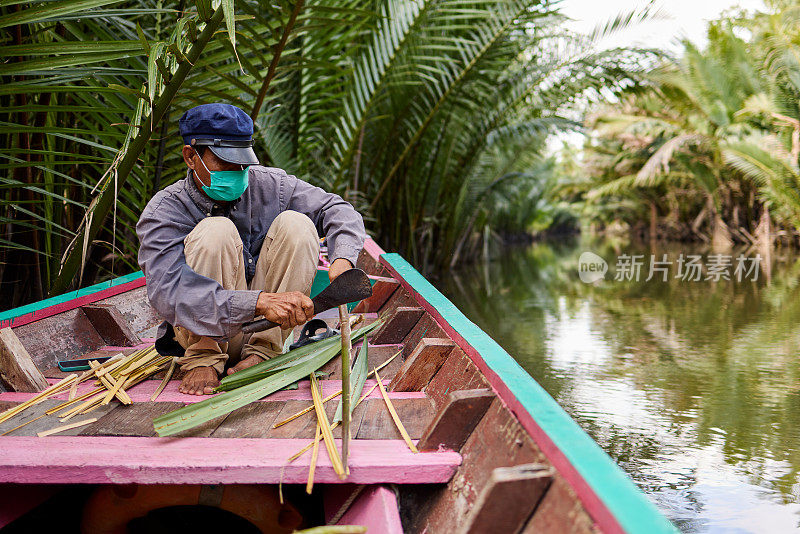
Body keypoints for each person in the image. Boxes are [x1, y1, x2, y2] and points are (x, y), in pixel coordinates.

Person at [136, 103, 366, 395]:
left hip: (268, 327)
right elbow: (169, 293)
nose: (237, 173)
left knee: (298, 224)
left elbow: (338, 210)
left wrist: (343, 258)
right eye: (225, 163)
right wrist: (258, 303)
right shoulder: (164, 211)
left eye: (243, 164)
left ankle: (264, 352)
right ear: (191, 157)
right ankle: (203, 357)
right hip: (199, 333)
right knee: (214, 230)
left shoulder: (271, 186)